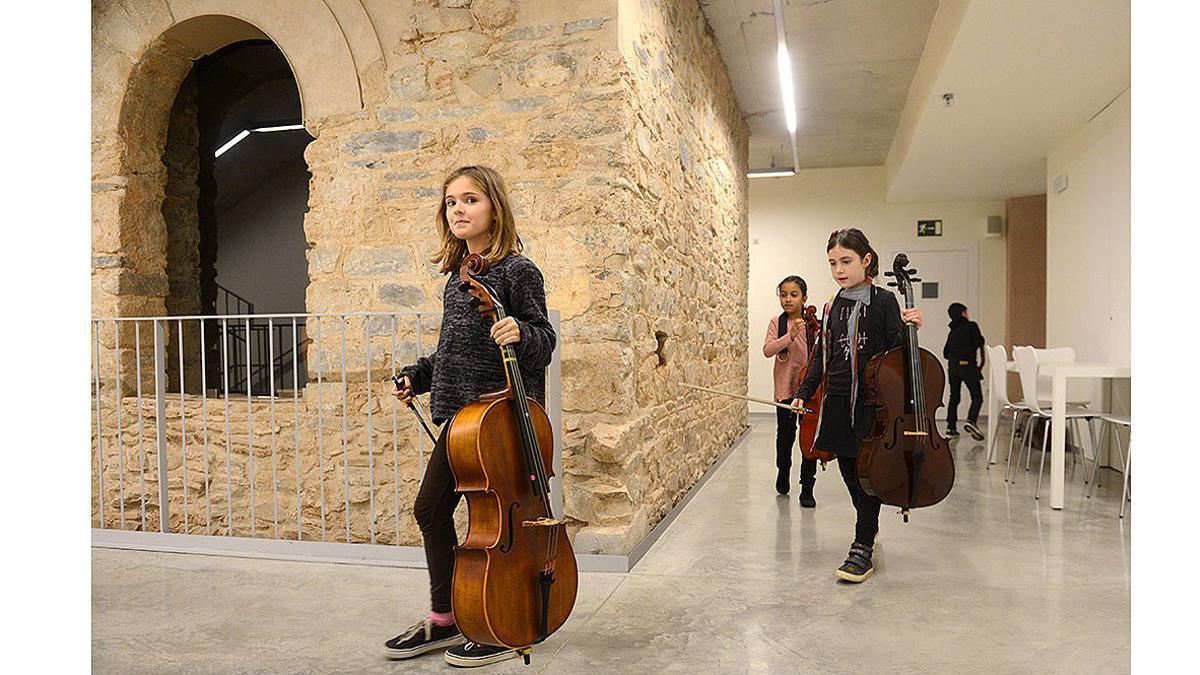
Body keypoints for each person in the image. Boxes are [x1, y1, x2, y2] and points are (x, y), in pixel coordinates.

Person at [383, 166, 556, 668]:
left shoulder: (517, 271)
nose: (458, 209)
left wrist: (520, 333)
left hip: (501, 422)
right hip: (465, 424)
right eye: (450, 202)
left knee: (497, 526)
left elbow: (543, 341)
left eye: (470, 200)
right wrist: (419, 375)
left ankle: (502, 622)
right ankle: (447, 618)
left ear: (494, 209)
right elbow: (452, 353)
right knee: (433, 512)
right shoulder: (458, 278)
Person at [792, 229, 923, 583]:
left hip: (872, 404)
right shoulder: (833, 306)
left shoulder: (883, 301)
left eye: (846, 261)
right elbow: (822, 355)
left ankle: (862, 544)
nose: (838, 269)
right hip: (837, 401)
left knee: (868, 477)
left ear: (866, 261)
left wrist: (913, 330)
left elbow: (898, 353)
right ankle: (868, 527)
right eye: (833, 263)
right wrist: (804, 390)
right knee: (851, 473)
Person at [763, 275, 819, 506]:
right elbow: (768, 350)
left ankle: (807, 487)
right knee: (785, 438)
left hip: (810, 393)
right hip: (785, 390)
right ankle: (783, 471)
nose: (788, 299)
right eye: (784, 295)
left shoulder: (813, 323)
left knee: (808, 440)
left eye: (794, 295)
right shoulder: (778, 322)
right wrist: (790, 336)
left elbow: (820, 355)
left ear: (804, 298)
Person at [943, 302, 986, 441]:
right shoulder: (971, 326)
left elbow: (945, 353)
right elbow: (979, 342)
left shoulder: (952, 331)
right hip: (969, 366)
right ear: (963, 313)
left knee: (954, 396)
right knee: (977, 396)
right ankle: (971, 420)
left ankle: (951, 427)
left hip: (953, 367)